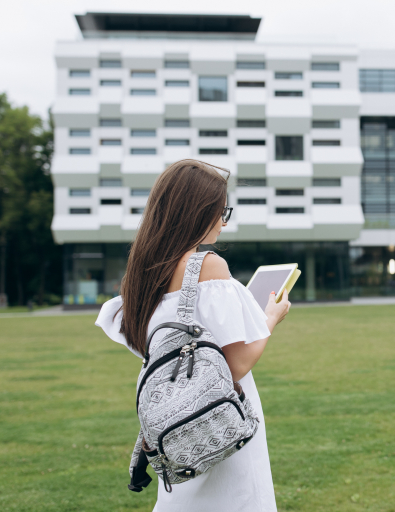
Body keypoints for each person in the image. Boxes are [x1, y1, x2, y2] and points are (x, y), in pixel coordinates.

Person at [95, 160, 290, 512]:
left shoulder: (141, 276)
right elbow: (237, 365)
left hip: (176, 422)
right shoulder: (207, 266)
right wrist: (269, 318)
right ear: (197, 212)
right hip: (218, 418)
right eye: (221, 210)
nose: (224, 220)